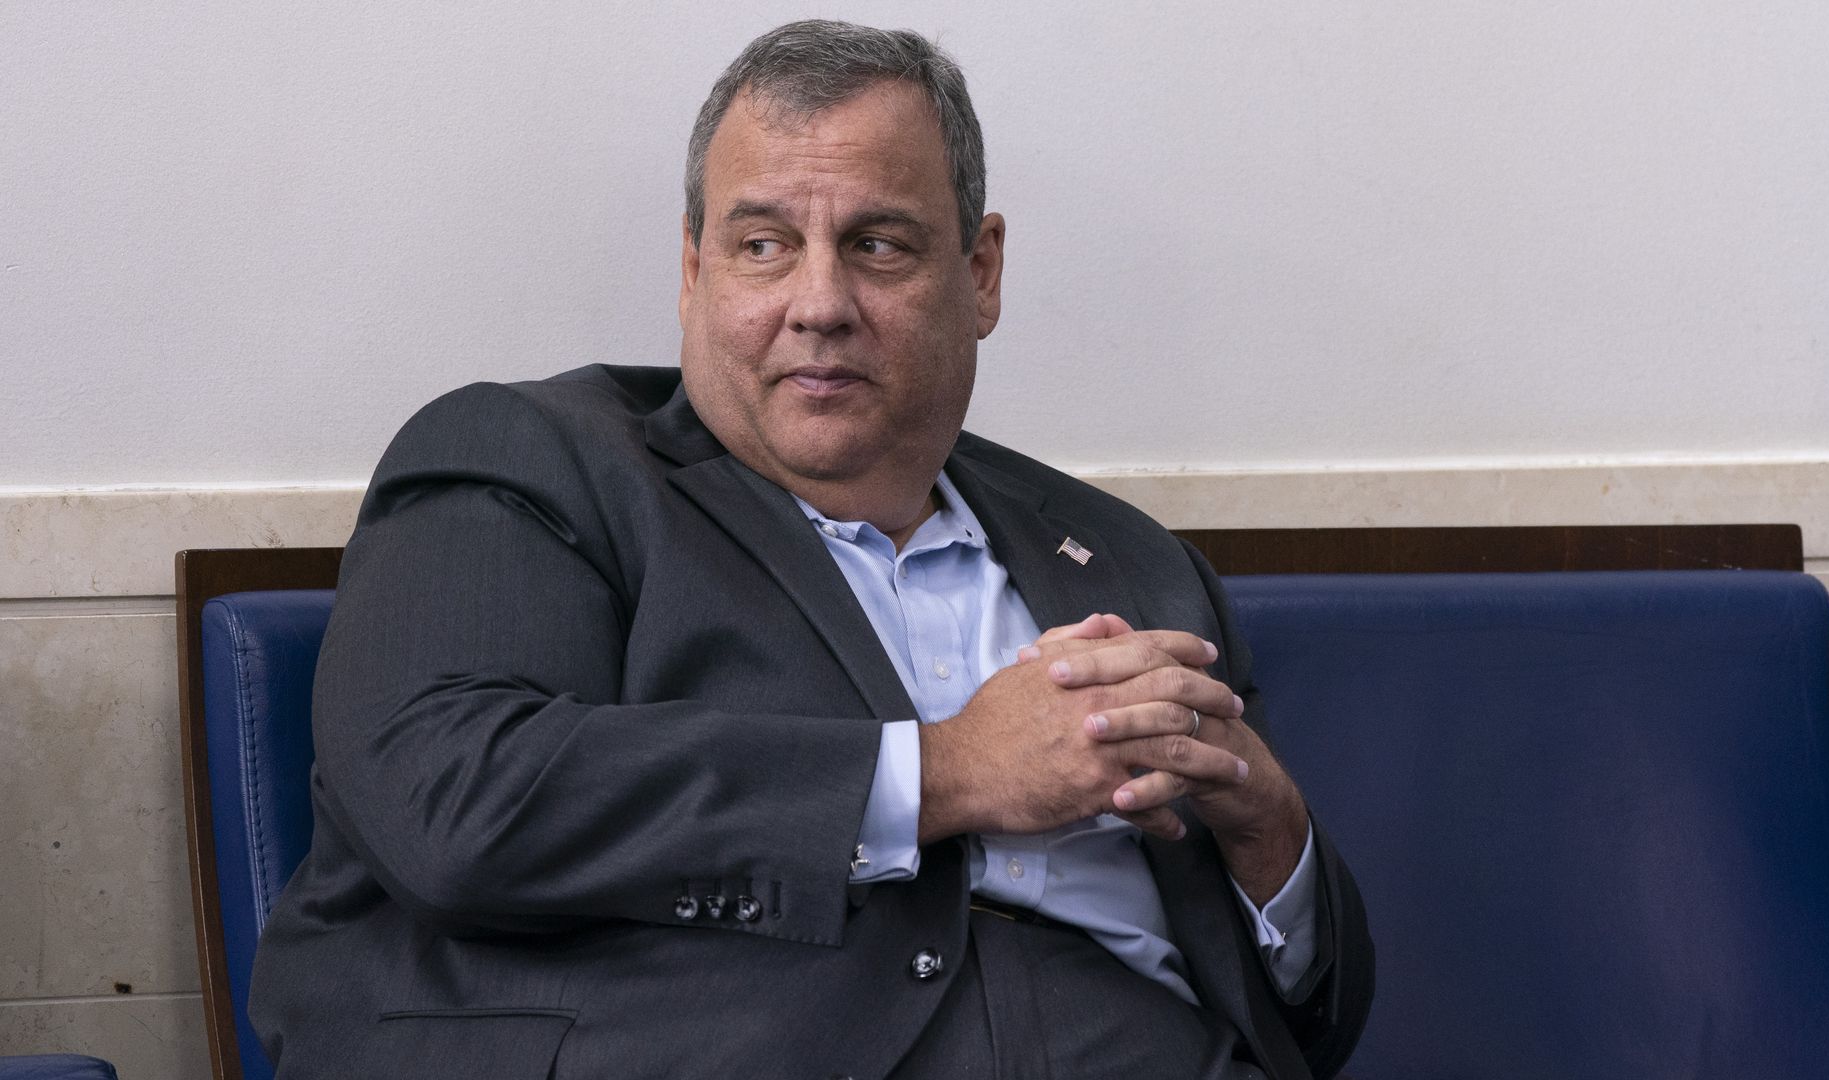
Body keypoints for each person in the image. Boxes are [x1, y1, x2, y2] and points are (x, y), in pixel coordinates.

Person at [251, 19, 1371, 1079]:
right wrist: (951, 770)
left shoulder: (1131, 560)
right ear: (694, 271)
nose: (820, 302)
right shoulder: (534, 462)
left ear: (980, 273)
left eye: (878, 245)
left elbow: (1301, 1027)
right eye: (764, 246)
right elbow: (457, 802)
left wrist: (1274, 838)